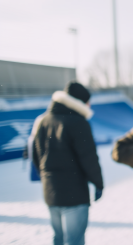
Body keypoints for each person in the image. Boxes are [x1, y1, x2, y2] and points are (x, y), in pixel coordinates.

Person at [33, 82, 103, 245]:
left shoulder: (43, 121)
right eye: (87, 101)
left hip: (50, 193)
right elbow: (89, 158)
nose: (89, 105)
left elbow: (37, 157)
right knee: (74, 241)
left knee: (58, 238)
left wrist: (47, 179)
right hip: (74, 195)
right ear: (79, 102)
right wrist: (99, 183)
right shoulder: (78, 123)